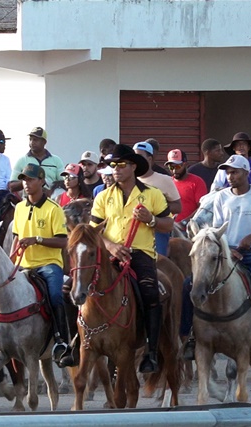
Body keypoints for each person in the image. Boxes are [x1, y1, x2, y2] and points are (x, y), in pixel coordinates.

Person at [0, 163, 71, 367]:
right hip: (22, 265)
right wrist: (10, 263)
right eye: (24, 180)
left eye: (30, 179)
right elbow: (17, 239)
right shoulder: (19, 208)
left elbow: (63, 241)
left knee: (55, 295)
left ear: (42, 181)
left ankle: (61, 342)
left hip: (48, 264)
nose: (26, 184)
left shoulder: (54, 209)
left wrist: (37, 239)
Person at [184, 154, 251, 359]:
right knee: (190, 283)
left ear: (245, 173)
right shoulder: (220, 197)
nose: (230, 176)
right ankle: (189, 335)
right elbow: (218, 230)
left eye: (234, 172)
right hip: (226, 252)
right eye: (227, 172)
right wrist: (225, 249)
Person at [91, 144, 174, 373]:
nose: (115, 170)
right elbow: (92, 230)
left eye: (121, 165)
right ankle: (75, 342)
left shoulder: (152, 194)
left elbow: (169, 224)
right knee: (74, 288)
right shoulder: (102, 196)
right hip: (109, 254)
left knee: (150, 292)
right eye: (113, 165)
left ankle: (151, 351)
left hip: (140, 254)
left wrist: (151, 220)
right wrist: (110, 246)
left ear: (133, 167)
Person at [133, 141, 181, 256]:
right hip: (132, 230)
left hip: (157, 230)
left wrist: (153, 210)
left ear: (150, 159)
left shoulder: (164, 180)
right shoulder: (128, 180)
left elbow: (178, 206)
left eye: (140, 157)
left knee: (157, 264)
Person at [9, 127, 65, 194]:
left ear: (44, 142)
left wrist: (50, 189)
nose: (32, 142)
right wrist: (30, 180)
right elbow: (12, 186)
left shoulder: (56, 160)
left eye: (35, 140)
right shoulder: (22, 161)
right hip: (28, 201)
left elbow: (63, 182)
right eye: (30, 139)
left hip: (51, 199)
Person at [165, 149, 207, 228]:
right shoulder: (167, 182)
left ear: (186, 164)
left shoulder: (197, 182)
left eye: (178, 166)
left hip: (190, 229)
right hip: (171, 229)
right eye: (171, 167)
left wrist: (185, 222)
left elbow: (202, 208)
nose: (174, 170)